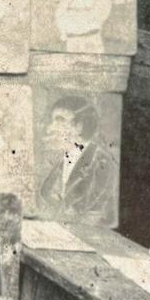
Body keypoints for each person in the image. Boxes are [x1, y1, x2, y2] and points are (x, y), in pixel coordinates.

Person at [38, 93, 118, 225]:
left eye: (59, 121)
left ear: (79, 127)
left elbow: (93, 217)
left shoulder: (101, 163)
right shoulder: (62, 162)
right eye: (52, 122)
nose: (50, 129)